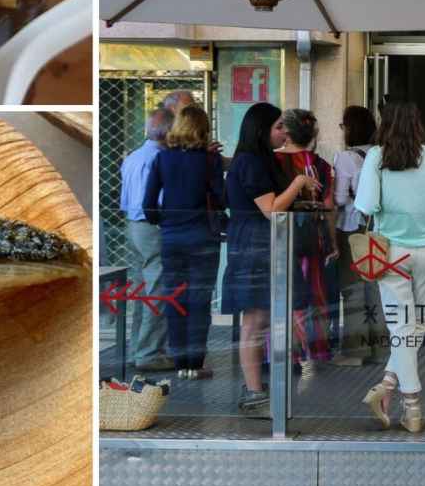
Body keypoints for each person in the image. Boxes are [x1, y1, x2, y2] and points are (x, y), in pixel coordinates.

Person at [354, 103, 425, 433]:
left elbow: (367, 205)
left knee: (402, 329)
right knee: (418, 326)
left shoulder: (376, 158)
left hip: (392, 253)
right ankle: (386, 388)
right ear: (418, 125)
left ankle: (409, 405)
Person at [221, 103, 315, 412]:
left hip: (264, 245)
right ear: (261, 130)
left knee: (264, 318)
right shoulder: (250, 162)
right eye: (278, 126)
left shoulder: (261, 160)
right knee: (255, 320)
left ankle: (259, 389)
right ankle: (253, 391)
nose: (284, 131)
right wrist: (299, 183)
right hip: (254, 247)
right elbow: (272, 209)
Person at [142, 105, 226, 380]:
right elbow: (221, 198)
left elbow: (148, 205)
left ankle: (179, 363)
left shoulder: (162, 159)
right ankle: (195, 363)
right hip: (203, 237)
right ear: (203, 129)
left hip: (171, 238)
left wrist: (164, 221)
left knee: (176, 299)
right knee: (199, 301)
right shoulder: (209, 161)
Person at [272, 109, 338, 378]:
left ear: (286, 132)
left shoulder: (271, 161)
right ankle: (316, 348)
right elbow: (329, 205)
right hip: (313, 236)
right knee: (314, 293)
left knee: (281, 295)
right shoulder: (321, 165)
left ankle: (284, 351)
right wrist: (332, 241)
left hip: (279, 236)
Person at [120, 109, 174, 372]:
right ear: (167, 132)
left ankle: (138, 350)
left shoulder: (133, 156)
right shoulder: (159, 159)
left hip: (133, 225)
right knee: (158, 288)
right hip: (151, 226)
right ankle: (150, 352)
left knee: (142, 289)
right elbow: (157, 202)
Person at [331, 105, 381, 363]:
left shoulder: (346, 158)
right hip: (378, 228)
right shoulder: (381, 155)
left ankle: (355, 350)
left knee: (352, 288)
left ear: (350, 128)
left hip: (351, 227)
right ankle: (380, 348)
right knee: (375, 286)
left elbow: (339, 198)